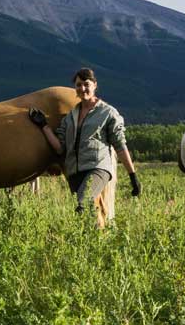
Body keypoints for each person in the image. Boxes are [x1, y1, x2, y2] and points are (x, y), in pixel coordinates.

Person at [28, 67, 141, 217]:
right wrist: (44, 126)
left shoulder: (108, 113)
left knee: (83, 203)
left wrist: (133, 176)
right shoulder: (69, 118)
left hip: (97, 168)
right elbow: (60, 148)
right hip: (75, 172)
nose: (82, 88)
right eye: (78, 85)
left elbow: (120, 146)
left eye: (86, 84)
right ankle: (99, 239)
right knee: (91, 215)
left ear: (94, 85)